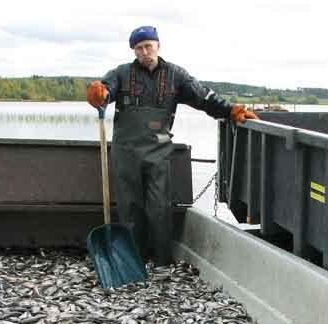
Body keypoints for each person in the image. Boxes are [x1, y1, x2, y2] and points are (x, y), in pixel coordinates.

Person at [87, 25, 259, 266]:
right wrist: (98, 93)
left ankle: (162, 260)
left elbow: (204, 97)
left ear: (158, 45)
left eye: (148, 46)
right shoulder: (122, 73)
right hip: (125, 153)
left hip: (158, 152)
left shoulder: (176, 75)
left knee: (159, 206)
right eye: (139, 48)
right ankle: (135, 260)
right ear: (133, 51)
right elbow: (103, 92)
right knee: (130, 208)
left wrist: (232, 111)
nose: (144, 52)